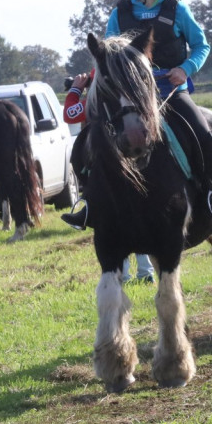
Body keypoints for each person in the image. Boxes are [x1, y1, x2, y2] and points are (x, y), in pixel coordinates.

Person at [63, 0, 212, 232]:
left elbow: (201, 46)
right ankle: (89, 202)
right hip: (130, 96)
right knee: (87, 140)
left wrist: (185, 69)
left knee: (203, 134)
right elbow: (108, 53)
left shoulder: (176, 8)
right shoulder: (119, 11)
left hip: (171, 91)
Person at [61, 73, 154, 282]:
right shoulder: (126, 92)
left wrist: (76, 88)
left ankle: (86, 205)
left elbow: (69, 114)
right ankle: (146, 272)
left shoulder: (94, 101)